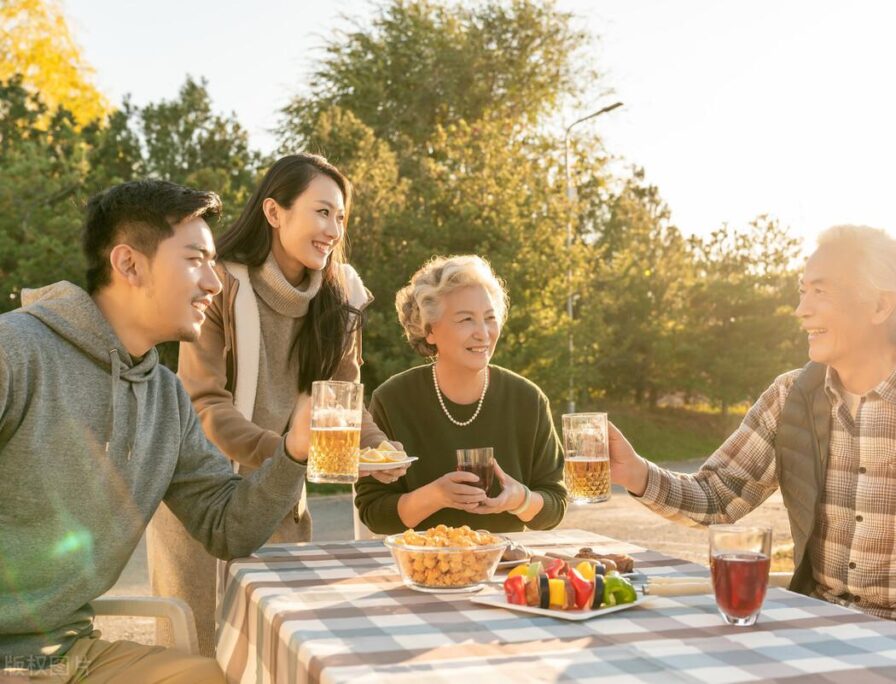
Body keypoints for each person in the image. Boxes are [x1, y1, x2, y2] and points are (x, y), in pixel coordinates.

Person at [609, 225, 896, 653]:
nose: (800, 310)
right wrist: (635, 471)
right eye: (802, 291)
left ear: (881, 304)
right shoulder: (789, 397)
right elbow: (718, 496)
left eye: (819, 292)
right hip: (816, 632)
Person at [0, 180, 311, 682]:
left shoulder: (166, 398)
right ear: (128, 264)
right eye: (195, 260)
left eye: (214, 263)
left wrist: (295, 452)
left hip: (72, 655)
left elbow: (229, 527)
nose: (214, 282)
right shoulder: (15, 352)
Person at [146, 153, 406, 656]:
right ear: (274, 212)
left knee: (276, 650)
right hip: (203, 494)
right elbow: (203, 400)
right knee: (198, 657)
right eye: (322, 212)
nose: (334, 229)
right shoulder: (217, 283)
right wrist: (288, 452)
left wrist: (378, 448)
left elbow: (342, 398)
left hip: (280, 496)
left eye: (341, 217)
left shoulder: (342, 294)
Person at [356, 255, 567, 533]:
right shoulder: (393, 399)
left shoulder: (528, 399)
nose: (483, 333)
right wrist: (436, 496)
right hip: (422, 566)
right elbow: (375, 514)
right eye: (466, 319)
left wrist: (518, 499)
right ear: (429, 330)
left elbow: (554, 506)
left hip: (503, 568)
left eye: (490, 318)